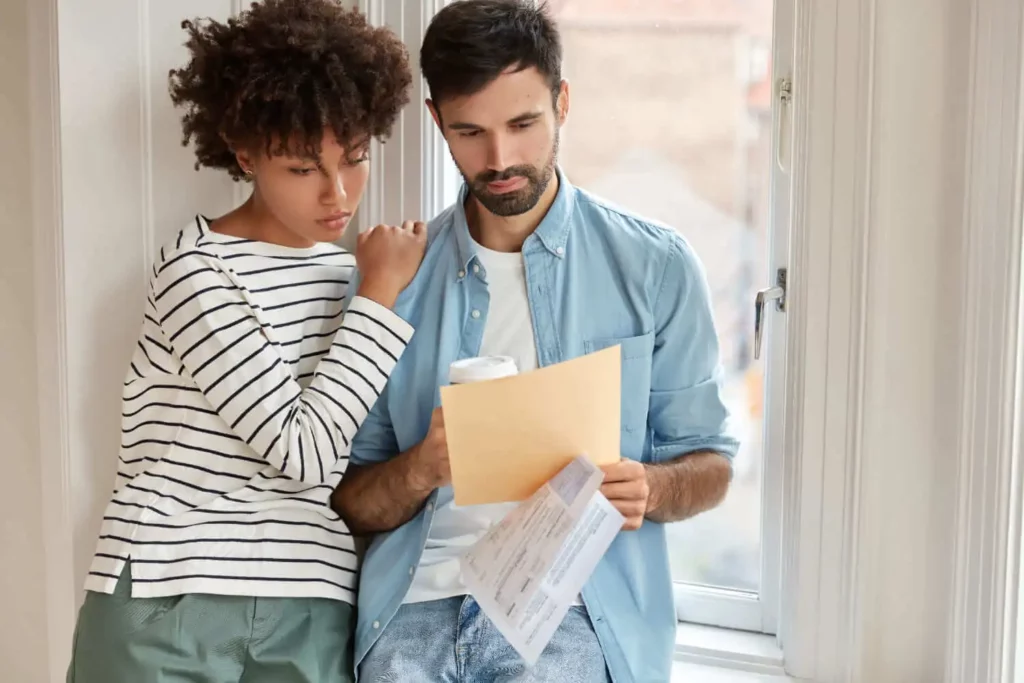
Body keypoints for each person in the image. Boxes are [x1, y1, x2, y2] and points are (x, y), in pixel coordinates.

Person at [330, 1, 740, 681]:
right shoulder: (394, 281)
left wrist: (652, 486)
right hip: (415, 612)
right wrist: (420, 467)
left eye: (523, 124)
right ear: (437, 123)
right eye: (470, 132)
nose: (500, 159)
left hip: (572, 612)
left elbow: (712, 465)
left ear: (563, 103)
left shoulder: (655, 266)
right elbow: (350, 498)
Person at [65, 2, 425, 682]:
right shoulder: (197, 272)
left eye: (353, 158)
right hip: (169, 595)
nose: (338, 193)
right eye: (302, 168)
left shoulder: (361, 278)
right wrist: (378, 296)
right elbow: (305, 454)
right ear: (244, 150)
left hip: (311, 602)